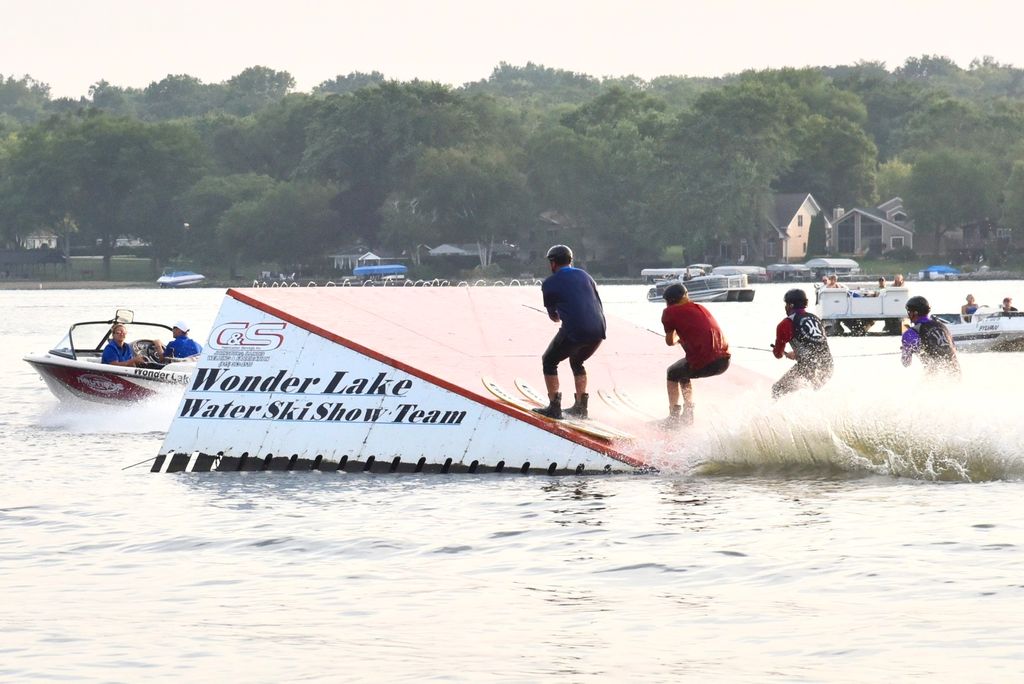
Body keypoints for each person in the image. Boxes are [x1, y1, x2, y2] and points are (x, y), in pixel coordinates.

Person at [532, 244, 606, 420]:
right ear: (570, 261)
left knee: (549, 361)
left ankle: (554, 407)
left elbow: (554, 317)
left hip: (576, 330)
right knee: (577, 361)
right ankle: (581, 407)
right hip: (599, 330)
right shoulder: (586, 276)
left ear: (553, 263)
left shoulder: (549, 283)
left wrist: (561, 313)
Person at [659, 283, 730, 426]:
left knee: (672, 372)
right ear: (685, 295)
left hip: (705, 362)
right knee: (682, 372)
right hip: (724, 360)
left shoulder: (669, 312)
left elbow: (669, 341)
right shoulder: (700, 307)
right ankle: (688, 413)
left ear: (668, 301)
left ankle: (673, 417)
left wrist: (678, 339)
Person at [771, 289, 833, 398]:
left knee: (777, 389)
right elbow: (816, 346)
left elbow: (778, 354)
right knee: (812, 394)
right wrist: (797, 354)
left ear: (790, 305)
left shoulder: (786, 324)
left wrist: (780, 351)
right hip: (828, 366)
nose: (785, 307)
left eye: (786, 304)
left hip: (808, 367)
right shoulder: (815, 319)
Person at [902, 296, 960, 377]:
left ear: (915, 313)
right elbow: (953, 348)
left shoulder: (911, 332)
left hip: (934, 375)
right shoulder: (942, 326)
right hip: (956, 372)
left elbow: (906, 362)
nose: (908, 315)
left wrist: (906, 348)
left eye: (909, 312)